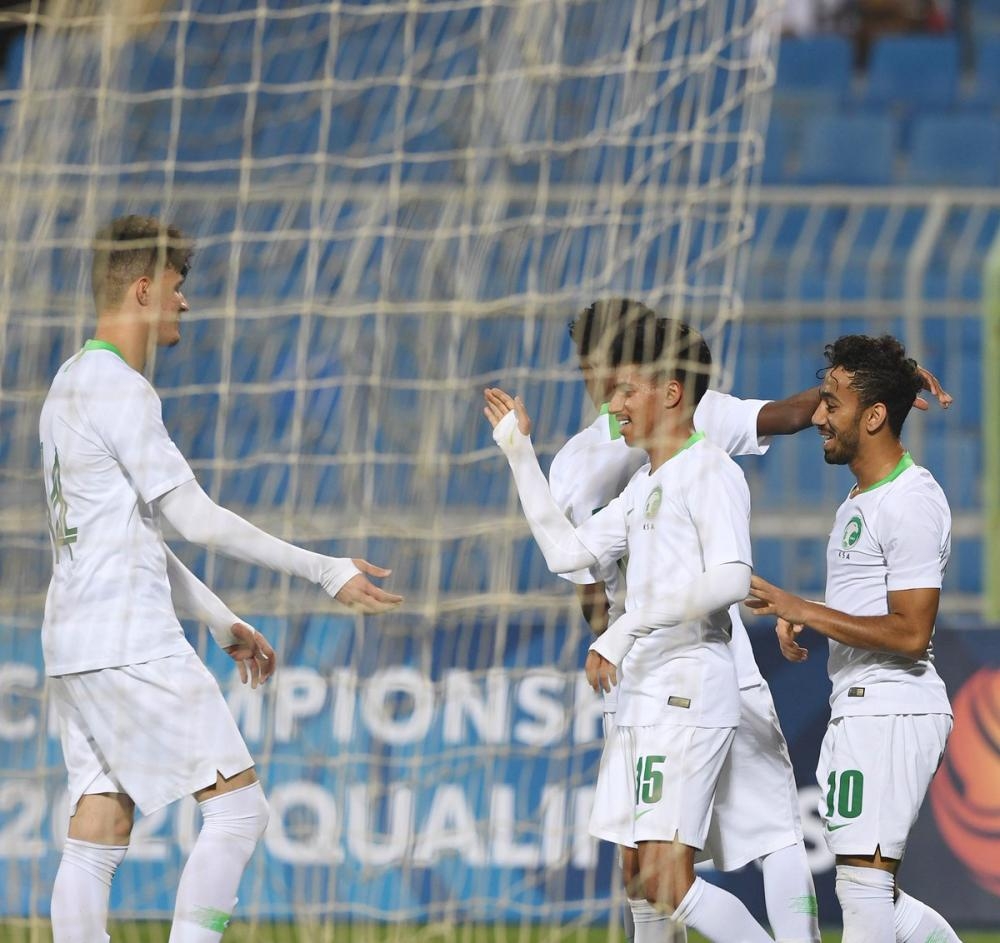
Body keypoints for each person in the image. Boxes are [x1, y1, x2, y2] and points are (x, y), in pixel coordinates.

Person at [39, 215, 402, 942]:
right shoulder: (120, 388)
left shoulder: (67, 384)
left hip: (73, 641)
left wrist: (216, 617)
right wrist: (324, 569)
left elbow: (129, 536)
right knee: (239, 809)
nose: (185, 301)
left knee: (99, 823)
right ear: (144, 289)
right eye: (177, 286)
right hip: (129, 637)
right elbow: (195, 519)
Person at [484, 314, 774, 943]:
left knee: (669, 881)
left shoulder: (710, 471)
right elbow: (566, 554)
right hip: (642, 692)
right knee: (641, 881)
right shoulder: (645, 484)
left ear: (671, 392)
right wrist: (519, 454)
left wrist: (625, 629)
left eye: (626, 391)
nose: (612, 406)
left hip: (687, 688)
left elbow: (731, 578)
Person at [549, 298, 822, 943]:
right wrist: (619, 646)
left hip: (709, 660)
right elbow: (584, 573)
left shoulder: (690, 411)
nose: (604, 381)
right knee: (649, 864)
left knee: (769, 830)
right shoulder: (578, 462)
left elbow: (785, 415)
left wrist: (868, 383)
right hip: (655, 666)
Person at [747, 334, 960, 943]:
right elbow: (870, 606)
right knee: (872, 893)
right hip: (861, 706)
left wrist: (806, 610)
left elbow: (911, 632)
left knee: (865, 892)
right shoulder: (860, 499)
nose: (819, 416)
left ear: (873, 416)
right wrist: (808, 610)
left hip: (891, 707)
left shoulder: (911, 502)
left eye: (833, 403)